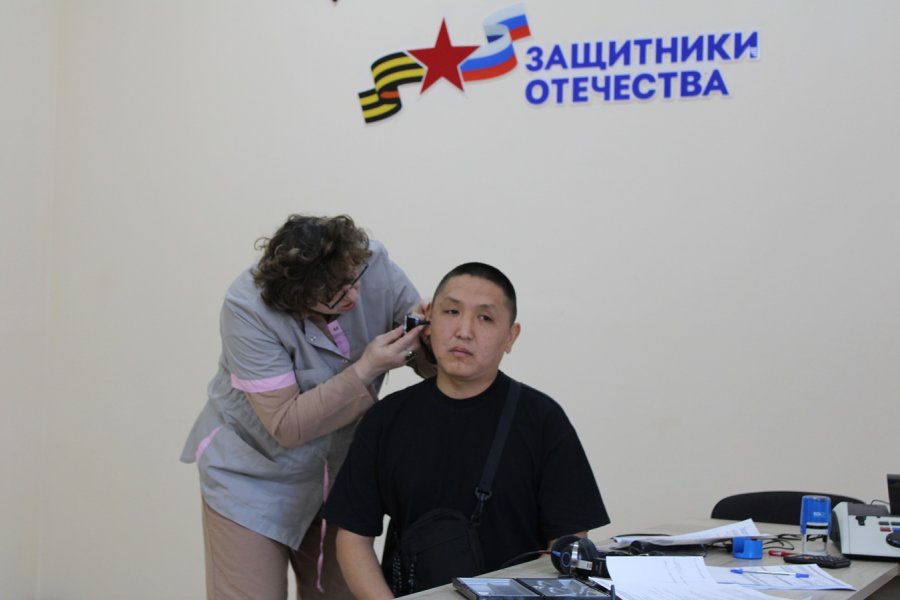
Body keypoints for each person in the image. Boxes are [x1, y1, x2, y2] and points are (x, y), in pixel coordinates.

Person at [180, 214, 433, 600]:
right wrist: (366, 368)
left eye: (352, 280)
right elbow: (286, 424)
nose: (353, 297)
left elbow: (422, 353)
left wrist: (432, 340)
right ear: (297, 302)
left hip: (338, 476)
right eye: (334, 295)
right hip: (253, 478)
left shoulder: (370, 263)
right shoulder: (248, 308)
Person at [323, 262, 609, 598]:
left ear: (511, 336)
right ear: (429, 321)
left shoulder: (543, 420)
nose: (464, 330)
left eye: (485, 318)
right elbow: (353, 538)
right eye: (451, 312)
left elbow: (568, 543)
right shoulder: (387, 418)